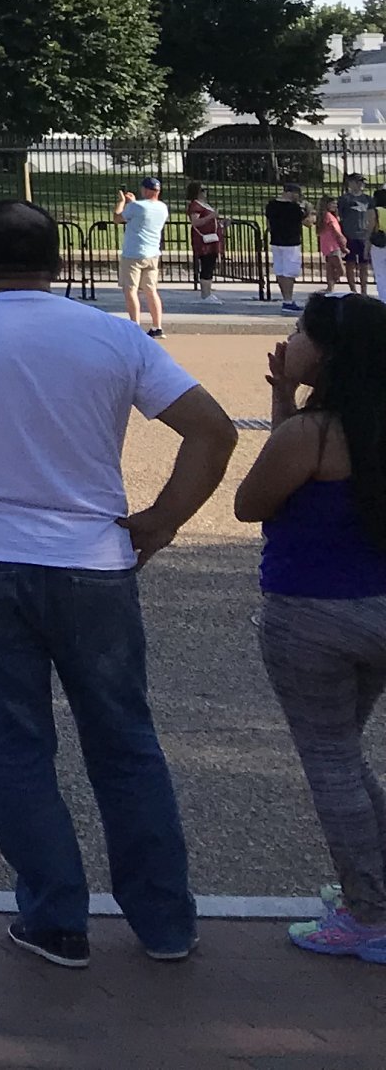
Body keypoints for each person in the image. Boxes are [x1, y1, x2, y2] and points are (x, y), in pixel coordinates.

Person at [0, 198, 236, 969]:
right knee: (124, 739)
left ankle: (55, 915)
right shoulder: (112, 335)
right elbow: (212, 429)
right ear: (59, 264)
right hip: (92, 557)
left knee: (15, 744)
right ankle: (164, 919)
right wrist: (163, 517)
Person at [231, 291, 386, 958]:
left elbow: (252, 503)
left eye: (299, 331)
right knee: (346, 756)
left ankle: (370, 911)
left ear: (325, 353)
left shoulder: (313, 434)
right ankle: (376, 886)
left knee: (332, 766)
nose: (289, 340)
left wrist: (283, 410)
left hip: (311, 612)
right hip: (378, 605)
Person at [117, 175, 171, 336]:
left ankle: (135, 325)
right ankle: (157, 326)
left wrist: (121, 202)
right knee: (151, 290)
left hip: (133, 254)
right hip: (152, 254)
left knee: (130, 290)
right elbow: (142, 213)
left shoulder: (137, 207)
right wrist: (132, 203)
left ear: (146, 190)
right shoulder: (162, 207)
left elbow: (117, 218)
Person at [272, 178, 309, 313]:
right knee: (289, 272)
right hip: (291, 242)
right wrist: (307, 210)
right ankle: (288, 300)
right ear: (292, 193)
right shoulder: (294, 208)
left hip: (276, 241)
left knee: (280, 271)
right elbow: (308, 222)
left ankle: (285, 298)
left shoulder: (271, 205)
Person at [186, 181, 227, 300]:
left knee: (210, 265)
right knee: (206, 265)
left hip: (212, 239)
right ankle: (205, 294)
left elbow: (211, 222)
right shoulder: (195, 205)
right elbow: (195, 222)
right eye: (203, 190)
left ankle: (208, 292)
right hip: (204, 241)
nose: (205, 192)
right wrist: (211, 216)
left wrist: (222, 224)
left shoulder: (205, 205)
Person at [346, 176, 378, 297]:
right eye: (358, 182)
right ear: (351, 183)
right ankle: (353, 290)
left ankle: (364, 290)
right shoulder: (345, 199)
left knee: (364, 264)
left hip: (364, 236)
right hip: (350, 235)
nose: (360, 184)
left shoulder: (368, 199)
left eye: (362, 182)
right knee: (350, 263)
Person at [324, 196, 350, 295]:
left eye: (335, 203)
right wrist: (343, 244)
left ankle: (330, 288)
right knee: (341, 270)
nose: (335, 205)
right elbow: (336, 232)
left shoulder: (326, 216)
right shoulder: (329, 217)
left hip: (327, 246)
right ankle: (331, 285)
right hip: (333, 246)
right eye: (332, 203)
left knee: (330, 267)